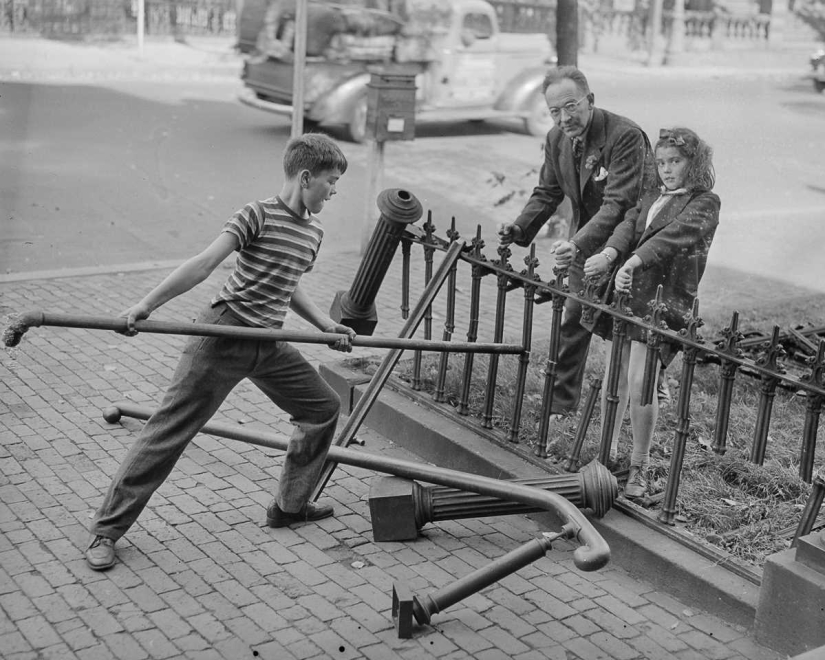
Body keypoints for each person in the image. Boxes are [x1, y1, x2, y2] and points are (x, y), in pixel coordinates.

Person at [85, 134, 356, 570]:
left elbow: (289, 284)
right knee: (169, 431)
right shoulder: (257, 214)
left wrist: (325, 325)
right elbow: (204, 263)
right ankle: (106, 530)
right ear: (305, 177)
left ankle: (289, 507)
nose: (334, 190)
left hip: (268, 343)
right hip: (224, 333)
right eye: (331, 180)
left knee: (322, 407)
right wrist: (146, 305)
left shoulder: (314, 232)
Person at [498, 66, 655, 429]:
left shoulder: (625, 135)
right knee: (572, 319)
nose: (564, 117)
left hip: (627, 246)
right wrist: (519, 227)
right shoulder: (556, 138)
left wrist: (576, 242)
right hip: (583, 245)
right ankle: (560, 406)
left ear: (591, 100)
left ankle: (639, 403)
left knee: (629, 334)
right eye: (554, 111)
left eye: (571, 106)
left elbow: (618, 205)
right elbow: (548, 192)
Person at [582, 127, 720, 499]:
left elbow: (672, 236)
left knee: (643, 383)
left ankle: (639, 466)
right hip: (629, 293)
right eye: (660, 163)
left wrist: (634, 261)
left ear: (694, 162)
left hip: (664, 299)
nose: (667, 169)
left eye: (675, 161)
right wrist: (611, 254)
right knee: (616, 374)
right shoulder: (652, 195)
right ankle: (604, 456)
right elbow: (628, 225)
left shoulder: (704, 202)